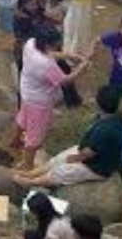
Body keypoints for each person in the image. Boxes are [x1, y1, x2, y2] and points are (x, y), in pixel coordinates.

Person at [14, 86, 122, 188]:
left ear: (99, 104)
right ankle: (30, 174)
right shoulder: (116, 115)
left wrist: (75, 158)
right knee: (57, 160)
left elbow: (89, 153)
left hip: (96, 167)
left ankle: (30, 182)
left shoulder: (104, 131)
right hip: (90, 153)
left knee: (60, 172)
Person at [17, 32, 91, 168]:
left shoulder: (31, 43)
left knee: (23, 119)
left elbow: (49, 53)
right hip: (39, 103)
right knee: (33, 141)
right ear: (47, 45)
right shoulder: (46, 65)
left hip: (26, 91)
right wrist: (82, 68)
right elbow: (65, 81)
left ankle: (15, 141)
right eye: (56, 44)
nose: (58, 46)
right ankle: (28, 168)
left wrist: (69, 55)